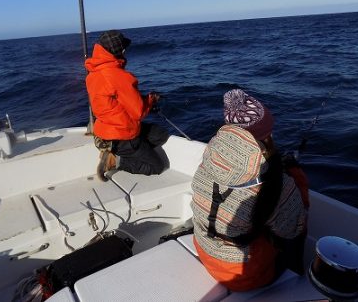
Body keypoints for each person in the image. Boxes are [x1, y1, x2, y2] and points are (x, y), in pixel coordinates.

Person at [191, 89, 309, 291]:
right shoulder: (277, 184)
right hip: (242, 276)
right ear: (266, 137)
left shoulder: (210, 158)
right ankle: (297, 276)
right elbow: (295, 227)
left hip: (203, 249)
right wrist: (296, 177)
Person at [85, 30, 169, 180]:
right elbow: (139, 112)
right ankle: (115, 161)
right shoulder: (119, 76)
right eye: (124, 48)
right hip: (122, 136)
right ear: (121, 50)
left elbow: (117, 103)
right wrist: (151, 100)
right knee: (157, 166)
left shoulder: (93, 73)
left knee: (160, 135)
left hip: (105, 131)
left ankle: (123, 151)